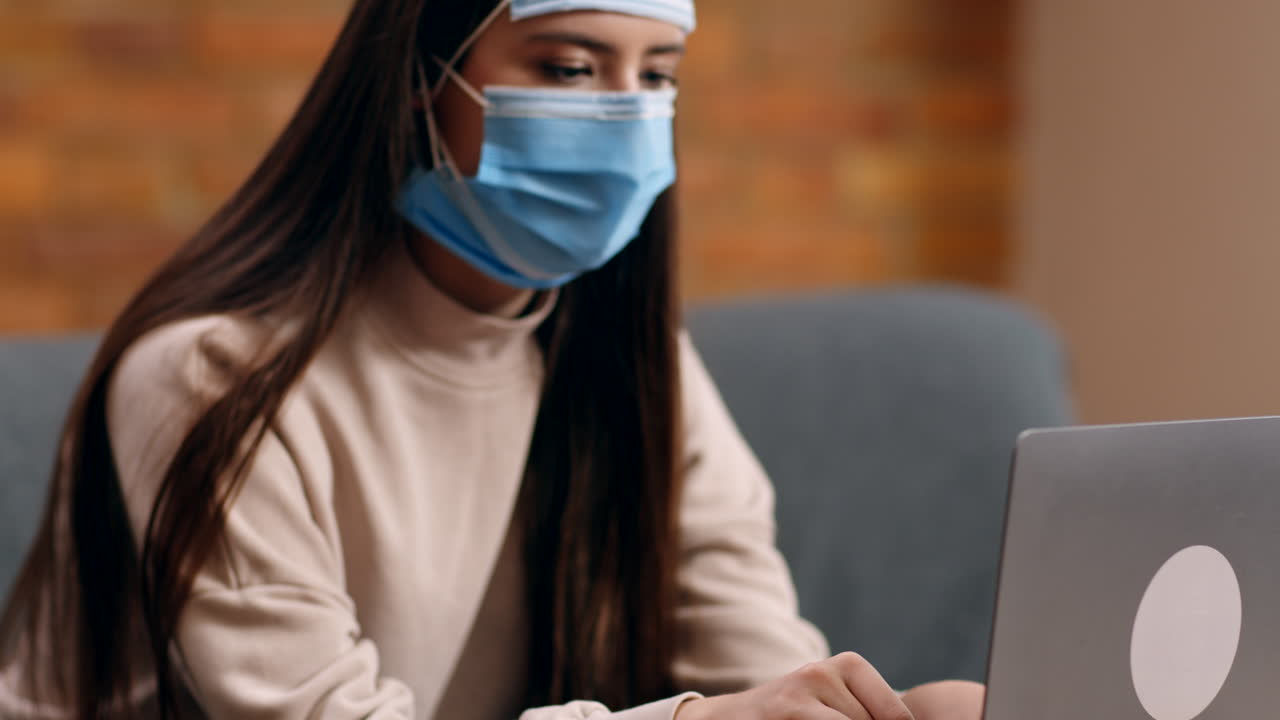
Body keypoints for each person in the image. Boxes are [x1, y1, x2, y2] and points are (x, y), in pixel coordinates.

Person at [0, 1, 986, 718]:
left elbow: (756, 667)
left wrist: (885, 712)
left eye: (657, 76)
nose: (626, 115)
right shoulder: (209, 378)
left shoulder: (639, 368)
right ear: (421, 83)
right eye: (569, 68)